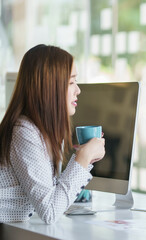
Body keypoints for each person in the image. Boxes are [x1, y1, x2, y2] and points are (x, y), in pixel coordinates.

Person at [0, 44, 105, 224]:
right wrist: (83, 157)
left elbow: (50, 196)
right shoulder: (23, 131)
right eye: (71, 82)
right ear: (49, 88)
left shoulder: (43, 131)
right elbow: (50, 211)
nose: (78, 90)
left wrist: (83, 159)